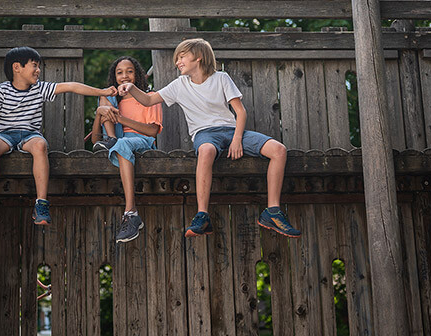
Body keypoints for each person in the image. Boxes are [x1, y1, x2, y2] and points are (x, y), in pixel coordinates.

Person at [118, 38, 301, 238]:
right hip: (204, 134)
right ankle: (202, 214)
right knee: (206, 150)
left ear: (198, 57)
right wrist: (131, 88)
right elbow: (149, 99)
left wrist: (237, 139)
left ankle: (272, 211)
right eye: (176, 58)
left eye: (181, 57)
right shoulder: (180, 85)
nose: (177, 62)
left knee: (279, 150)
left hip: (232, 131)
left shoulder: (221, 78)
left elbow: (240, 112)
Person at [0, 46, 116, 228]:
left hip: (30, 135)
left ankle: (41, 204)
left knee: (40, 145)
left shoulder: (40, 88)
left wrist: (103, 92)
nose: (38, 70)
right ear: (17, 67)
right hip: (5, 135)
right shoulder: (2, 90)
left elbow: (72, 86)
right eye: (34, 65)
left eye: (38, 66)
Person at [87, 56, 162, 243]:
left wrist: (120, 119)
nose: (124, 76)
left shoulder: (150, 97)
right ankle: (111, 139)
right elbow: (96, 141)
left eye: (129, 71)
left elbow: (152, 131)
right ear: (114, 76)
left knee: (123, 144)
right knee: (105, 98)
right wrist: (100, 113)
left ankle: (131, 211)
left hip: (142, 139)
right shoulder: (113, 101)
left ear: (137, 75)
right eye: (119, 72)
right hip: (117, 138)